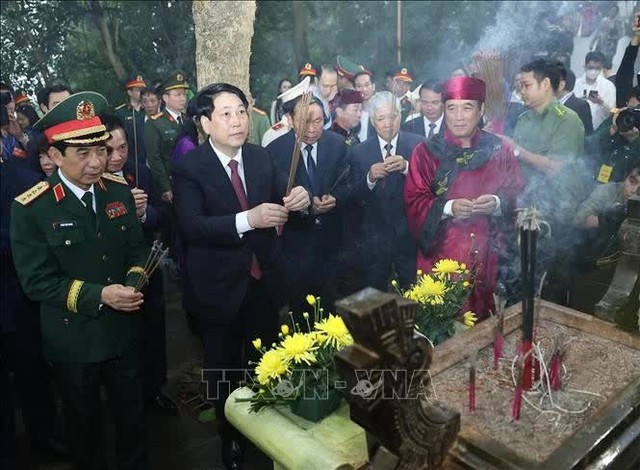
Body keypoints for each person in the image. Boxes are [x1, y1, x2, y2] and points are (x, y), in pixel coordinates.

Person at [172, 83, 309, 470]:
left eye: (241, 112)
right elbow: (192, 226)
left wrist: (301, 197)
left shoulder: (261, 156)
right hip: (217, 288)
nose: (237, 121)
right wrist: (249, 219)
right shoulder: (190, 167)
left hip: (263, 282)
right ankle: (230, 438)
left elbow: (286, 193)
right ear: (205, 123)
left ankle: (272, 430)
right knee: (224, 371)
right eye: (226, 114)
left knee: (268, 363)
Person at [10, 91, 150, 469]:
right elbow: (37, 282)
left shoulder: (117, 191)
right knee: (83, 428)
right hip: (74, 340)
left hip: (122, 332)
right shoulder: (31, 208)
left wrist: (133, 284)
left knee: (133, 421)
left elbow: (137, 251)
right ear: (55, 156)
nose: (96, 162)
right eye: (83, 153)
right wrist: (101, 295)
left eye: (101, 151)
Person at [404, 77, 525, 320]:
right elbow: (414, 202)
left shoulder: (499, 149)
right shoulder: (426, 153)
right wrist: (448, 208)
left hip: (488, 258)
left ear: (481, 109)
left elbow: (517, 193)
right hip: (440, 259)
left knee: (486, 326)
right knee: (442, 328)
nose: (458, 117)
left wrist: (497, 203)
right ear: (443, 109)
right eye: (451, 108)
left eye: (467, 107)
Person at [101, 114, 176, 415]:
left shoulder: (140, 173)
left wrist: (145, 214)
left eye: (123, 148)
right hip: (109, 275)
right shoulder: (90, 181)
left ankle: (154, 389)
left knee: (153, 331)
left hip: (147, 269)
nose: (117, 157)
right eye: (108, 150)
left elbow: (165, 215)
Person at [267, 91, 350, 314]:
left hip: (332, 244)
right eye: (305, 122)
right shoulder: (274, 152)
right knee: (301, 311)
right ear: (290, 120)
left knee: (331, 310)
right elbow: (272, 195)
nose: (312, 129)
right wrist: (302, 204)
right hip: (296, 245)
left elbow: (347, 183)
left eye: (318, 121)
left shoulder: (337, 144)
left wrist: (336, 199)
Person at [352, 91, 424, 291]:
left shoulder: (418, 145)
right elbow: (353, 196)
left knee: (414, 292)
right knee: (375, 295)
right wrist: (370, 178)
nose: (387, 124)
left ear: (400, 116)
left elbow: (431, 185)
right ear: (372, 122)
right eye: (381, 119)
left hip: (411, 236)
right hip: (374, 239)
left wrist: (407, 167)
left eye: (392, 117)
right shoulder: (359, 152)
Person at [145, 71, 188, 203]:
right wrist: (165, 187)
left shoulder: (188, 120)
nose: (183, 98)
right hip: (172, 183)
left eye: (184, 94)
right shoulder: (155, 123)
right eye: (178, 95)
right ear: (165, 98)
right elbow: (154, 158)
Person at [574, 51, 617, 130]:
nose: (594, 71)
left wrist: (601, 102)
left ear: (602, 68)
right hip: (576, 128)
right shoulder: (575, 85)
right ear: (585, 66)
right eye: (591, 67)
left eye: (597, 68)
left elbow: (614, 111)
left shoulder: (609, 86)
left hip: (598, 130)